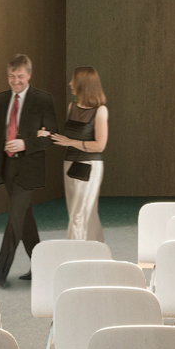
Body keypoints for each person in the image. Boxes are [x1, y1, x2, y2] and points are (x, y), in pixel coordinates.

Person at [0, 53, 57, 286]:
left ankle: (0, 275)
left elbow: (51, 135)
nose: (15, 81)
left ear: (29, 75)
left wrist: (26, 144)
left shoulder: (42, 99)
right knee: (24, 218)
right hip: (7, 167)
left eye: (20, 76)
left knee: (14, 219)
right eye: (11, 76)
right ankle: (42, 267)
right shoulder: (0, 100)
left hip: (29, 168)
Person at [42, 65, 108, 242]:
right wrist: (47, 135)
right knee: (86, 213)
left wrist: (70, 142)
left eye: (74, 80)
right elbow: (65, 138)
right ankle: (98, 251)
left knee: (78, 216)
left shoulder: (100, 111)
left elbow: (100, 146)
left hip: (89, 166)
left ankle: (72, 254)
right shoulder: (72, 107)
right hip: (69, 164)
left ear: (83, 84)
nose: (70, 83)